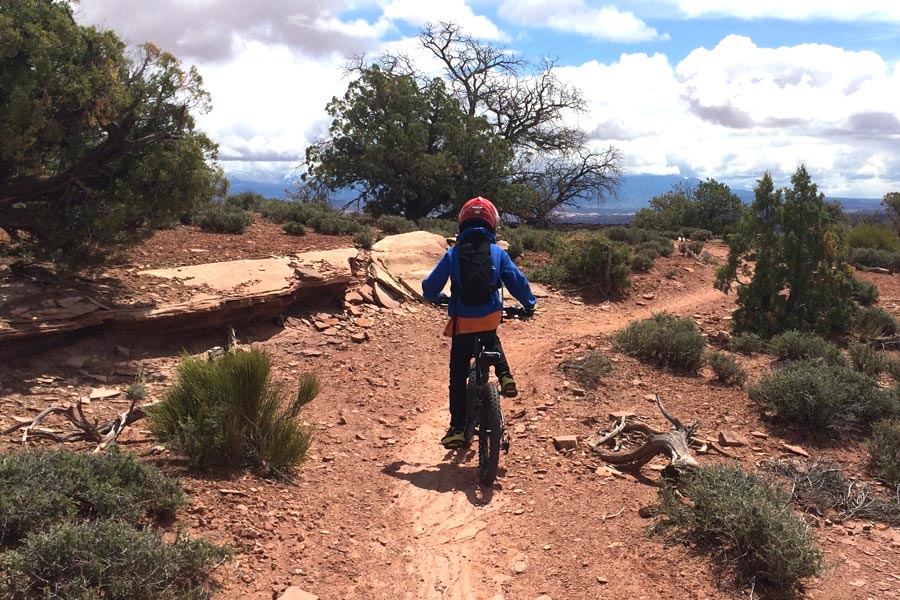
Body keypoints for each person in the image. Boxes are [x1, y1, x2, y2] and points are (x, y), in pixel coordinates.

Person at [422, 196, 537, 449]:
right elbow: (517, 282)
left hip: (463, 323)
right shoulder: (498, 253)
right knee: (491, 336)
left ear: (463, 223)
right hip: (489, 319)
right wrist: (529, 304)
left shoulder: (453, 254)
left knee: (458, 373)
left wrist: (437, 298)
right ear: (492, 225)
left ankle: (456, 429)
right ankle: (505, 375)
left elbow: (429, 287)